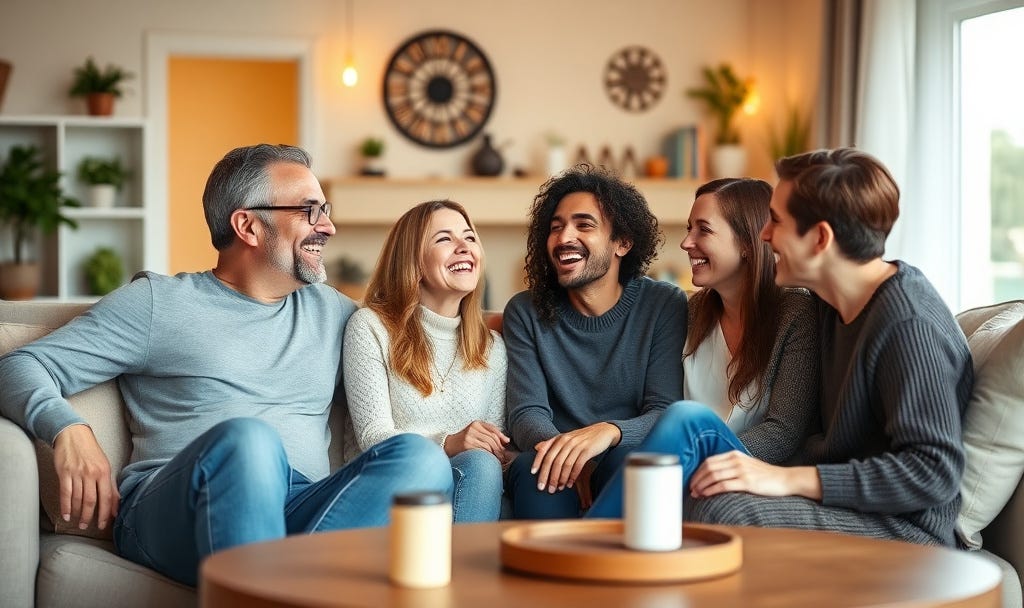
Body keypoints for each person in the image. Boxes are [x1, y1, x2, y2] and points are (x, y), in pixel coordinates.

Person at [0, 144, 453, 586]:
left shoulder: (336, 313)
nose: (329, 227)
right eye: (309, 211)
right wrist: (68, 429)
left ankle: (279, 584)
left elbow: (420, 343)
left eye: (325, 210)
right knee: (250, 441)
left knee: (419, 459)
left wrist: (479, 320)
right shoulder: (159, 303)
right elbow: (19, 365)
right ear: (248, 226)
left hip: (301, 509)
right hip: (177, 506)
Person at [602, 148, 971, 547]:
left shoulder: (907, 323)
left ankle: (587, 555)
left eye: (776, 221)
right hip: (847, 504)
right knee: (697, 488)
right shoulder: (830, 306)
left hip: (905, 526)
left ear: (820, 238)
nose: (763, 234)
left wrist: (788, 478)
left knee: (721, 506)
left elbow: (933, 472)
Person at [587, 177, 820, 518]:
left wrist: (702, 462)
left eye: (703, 230)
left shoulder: (795, 313)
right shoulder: (690, 312)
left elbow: (782, 433)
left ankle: (585, 539)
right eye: (688, 229)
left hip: (752, 471)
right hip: (689, 465)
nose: (686, 243)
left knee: (688, 417)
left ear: (747, 242)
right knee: (632, 453)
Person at [503, 164, 688, 519]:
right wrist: (570, 456)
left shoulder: (663, 304)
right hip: (551, 459)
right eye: (556, 227)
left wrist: (607, 433)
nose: (564, 238)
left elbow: (664, 410)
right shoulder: (525, 311)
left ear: (623, 243)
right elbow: (527, 413)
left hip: (624, 451)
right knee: (536, 471)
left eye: (584, 225)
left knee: (635, 463)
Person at [342, 200, 509, 522]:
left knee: (483, 463)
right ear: (412, 261)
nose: (464, 247)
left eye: (470, 237)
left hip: (464, 489)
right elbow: (372, 436)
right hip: (387, 485)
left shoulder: (492, 348)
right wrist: (447, 442)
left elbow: (492, 447)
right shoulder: (371, 327)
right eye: (445, 238)